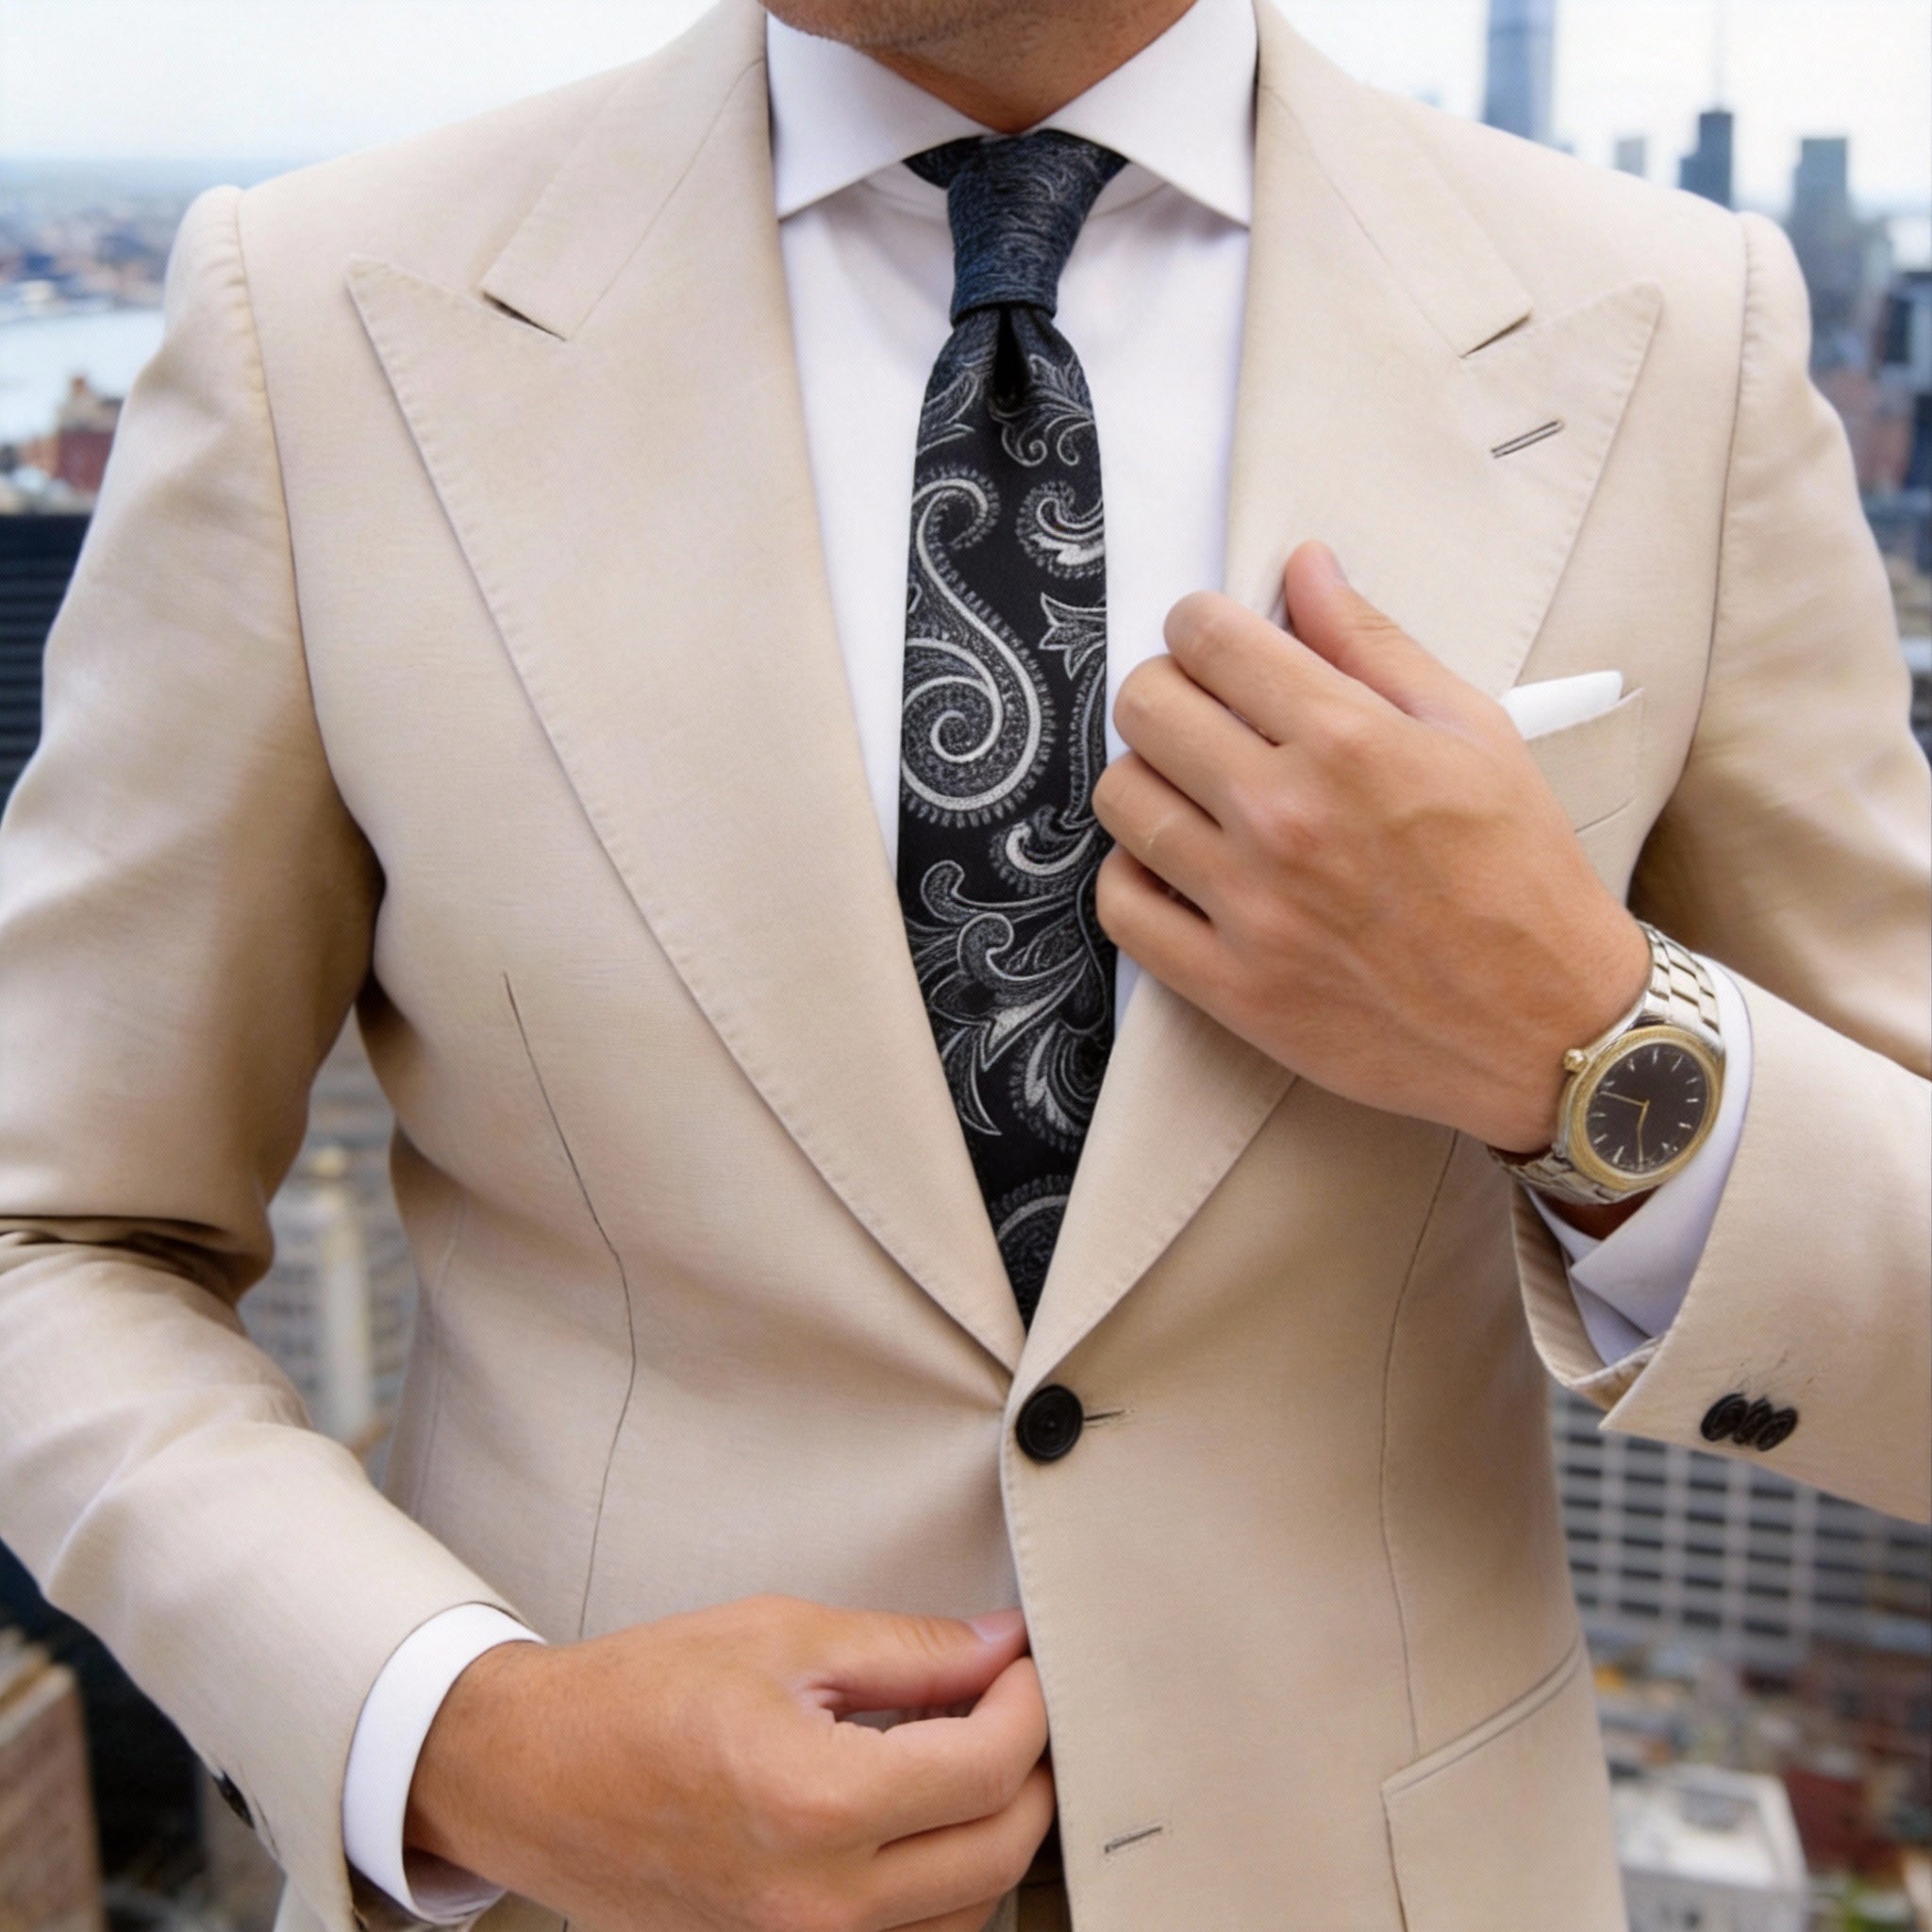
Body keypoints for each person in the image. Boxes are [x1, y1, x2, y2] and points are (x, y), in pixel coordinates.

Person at [0, 0, 1925, 1924]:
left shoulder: (1678, 333)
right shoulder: (314, 317)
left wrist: (1585, 1051)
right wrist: (466, 1738)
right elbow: (48, 1234)